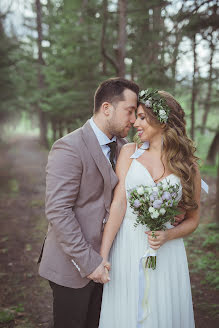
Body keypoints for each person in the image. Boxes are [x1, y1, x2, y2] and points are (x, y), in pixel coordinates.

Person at [38, 77, 140, 328]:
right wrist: (89, 262)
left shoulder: (125, 148)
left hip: (110, 265)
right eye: (130, 111)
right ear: (107, 108)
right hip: (73, 267)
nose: (134, 120)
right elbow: (58, 211)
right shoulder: (69, 147)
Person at [99, 90, 201, 328]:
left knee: (162, 312)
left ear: (162, 121)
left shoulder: (188, 166)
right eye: (135, 116)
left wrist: (168, 234)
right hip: (128, 246)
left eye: (142, 117)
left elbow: (193, 219)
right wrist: (103, 255)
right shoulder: (128, 153)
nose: (135, 122)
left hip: (167, 251)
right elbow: (118, 205)